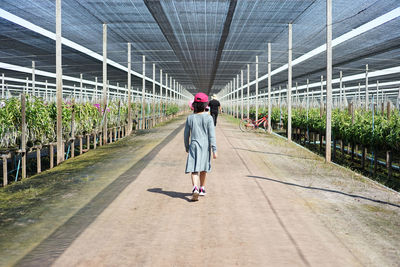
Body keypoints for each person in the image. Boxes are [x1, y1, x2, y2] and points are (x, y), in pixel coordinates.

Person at [184, 92, 217, 201]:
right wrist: (214, 150)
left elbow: (186, 134)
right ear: (205, 105)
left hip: (194, 144)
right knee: (203, 168)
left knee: (194, 169)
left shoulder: (190, 118)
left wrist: (187, 146)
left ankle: (195, 188)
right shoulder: (209, 118)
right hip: (205, 146)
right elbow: (212, 135)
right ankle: (202, 188)